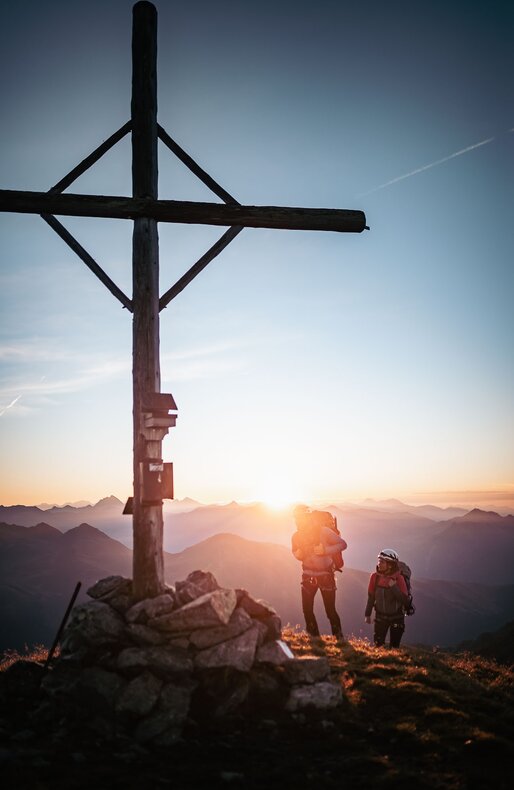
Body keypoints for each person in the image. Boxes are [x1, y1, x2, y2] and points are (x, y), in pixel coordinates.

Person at [291, 504, 347, 639]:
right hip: (307, 576)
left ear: (307, 517)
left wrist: (325, 551)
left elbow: (343, 544)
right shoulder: (297, 536)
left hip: (325, 576)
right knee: (307, 610)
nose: (298, 521)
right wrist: (297, 554)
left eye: (300, 517)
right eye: (296, 518)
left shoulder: (323, 531)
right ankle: (315, 639)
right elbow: (294, 551)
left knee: (330, 611)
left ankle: (339, 639)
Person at [364, 548, 410, 647]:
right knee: (378, 645)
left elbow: (405, 601)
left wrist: (394, 587)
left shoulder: (399, 578)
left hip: (397, 618)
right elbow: (371, 597)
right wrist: (367, 614)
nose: (379, 564)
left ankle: (393, 662)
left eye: (382, 562)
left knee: (394, 646)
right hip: (380, 617)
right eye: (379, 561)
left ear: (390, 565)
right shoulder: (374, 577)